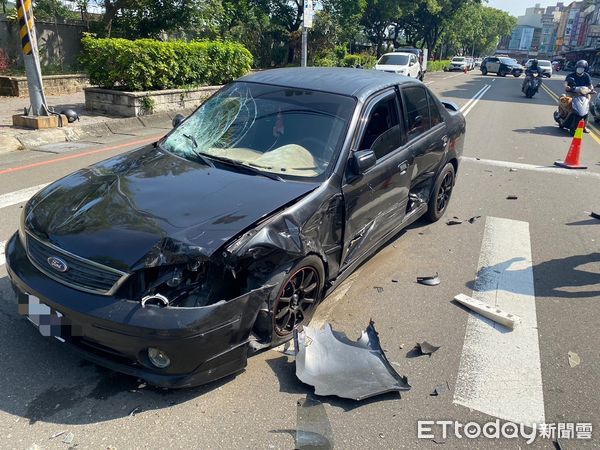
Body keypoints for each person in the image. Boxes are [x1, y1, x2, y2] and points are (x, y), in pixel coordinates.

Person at [565, 60, 594, 132]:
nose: (580, 69)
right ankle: (565, 116)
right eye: (579, 67)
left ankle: (584, 126)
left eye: (582, 68)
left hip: (584, 94)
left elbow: (590, 85)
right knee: (568, 102)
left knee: (588, 106)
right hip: (573, 93)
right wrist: (567, 87)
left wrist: (592, 89)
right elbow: (566, 83)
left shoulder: (587, 76)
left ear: (585, 69)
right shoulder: (571, 75)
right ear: (576, 67)